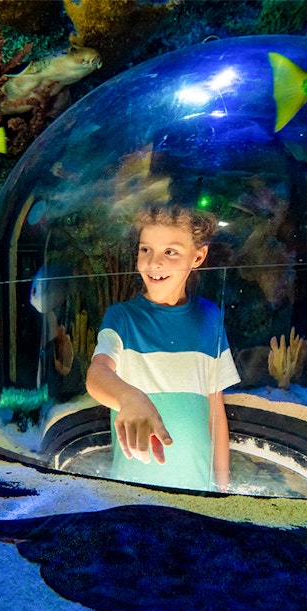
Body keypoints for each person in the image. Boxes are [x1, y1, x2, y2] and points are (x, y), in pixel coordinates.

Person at [85, 205, 241, 492]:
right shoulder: (122, 317)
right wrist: (129, 398)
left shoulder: (210, 317)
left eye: (170, 252)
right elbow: (97, 374)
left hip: (198, 492)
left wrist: (222, 489)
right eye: (146, 250)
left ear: (198, 256)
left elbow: (215, 412)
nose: (154, 263)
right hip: (133, 494)